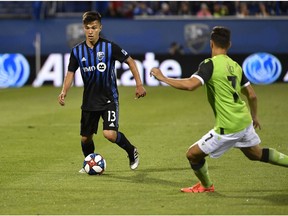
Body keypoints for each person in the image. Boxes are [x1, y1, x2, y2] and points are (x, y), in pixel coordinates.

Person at [150, 26, 288, 193]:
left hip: (228, 126)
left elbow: (190, 85)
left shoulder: (209, 64)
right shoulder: (236, 66)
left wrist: (163, 77)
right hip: (244, 120)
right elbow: (252, 95)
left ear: (211, 44)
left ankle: (207, 186)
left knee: (193, 155)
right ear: (229, 45)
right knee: (255, 154)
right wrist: (254, 116)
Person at [58, 11, 146, 172]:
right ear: (83, 29)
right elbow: (70, 73)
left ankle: (131, 151)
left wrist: (139, 84)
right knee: (85, 138)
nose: (90, 31)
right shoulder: (77, 51)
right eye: (87, 28)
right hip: (89, 101)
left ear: (100, 28)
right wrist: (64, 91)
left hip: (108, 99)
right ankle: (88, 163)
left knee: (110, 134)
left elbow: (131, 62)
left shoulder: (110, 47)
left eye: (94, 27)